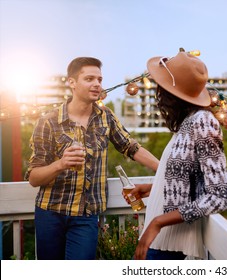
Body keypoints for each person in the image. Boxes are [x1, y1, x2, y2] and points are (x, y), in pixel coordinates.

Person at [25, 57, 159, 260]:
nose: (97, 84)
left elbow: (131, 147)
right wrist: (61, 164)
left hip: (87, 215)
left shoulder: (106, 117)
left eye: (99, 79)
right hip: (50, 213)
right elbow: (34, 178)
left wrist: (164, 168)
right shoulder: (48, 122)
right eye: (89, 79)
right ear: (72, 82)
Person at [125, 50, 227, 260]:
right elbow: (189, 180)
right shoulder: (187, 123)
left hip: (170, 244)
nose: (158, 92)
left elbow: (219, 196)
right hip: (160, 242)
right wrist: (152, 189)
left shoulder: (203, 121)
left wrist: (158, 222)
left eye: (161, 86)